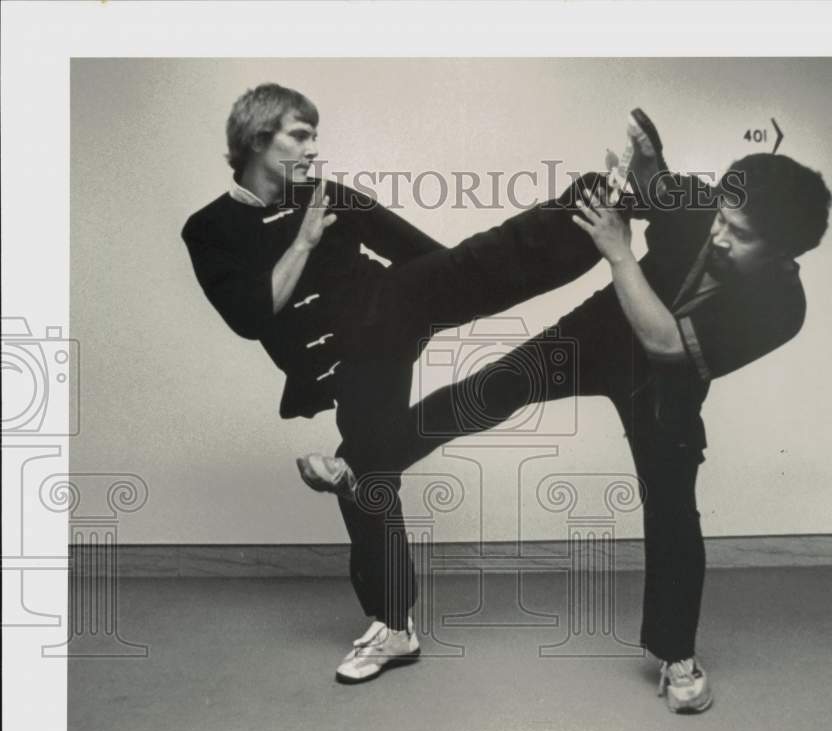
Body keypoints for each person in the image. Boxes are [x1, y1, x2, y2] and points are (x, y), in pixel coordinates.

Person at [305, 134, 832, 712]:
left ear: (786, 253)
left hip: (665, 383)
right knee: (486, 391)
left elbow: (663, 342)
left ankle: (676, 654)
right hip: (597, 336)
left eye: (741, 234)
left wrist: (620, 252)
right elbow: (660, 191)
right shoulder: (707, 206)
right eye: (722, 218)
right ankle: (360, 463)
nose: (719, 234)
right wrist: (651, 166)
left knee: (672, 505)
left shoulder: (784, 307)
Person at [181, 83, 615, 685]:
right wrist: (306, 239)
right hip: (340, 364)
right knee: (367, 469)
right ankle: (394, 627)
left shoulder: (330, 195)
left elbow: (425, 254)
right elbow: (252, 316)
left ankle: (589, 209)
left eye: (313, 136)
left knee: (469, 264)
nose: (312, 149)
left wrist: (449, 294)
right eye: (300, 135)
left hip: (386, 311)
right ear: (258, 140)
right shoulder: (208, 229)